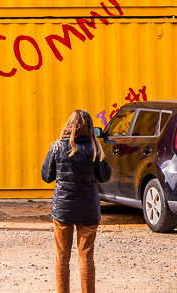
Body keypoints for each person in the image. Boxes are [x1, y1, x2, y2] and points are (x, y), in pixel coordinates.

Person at [41, 109, 112, 293]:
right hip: (88, 210)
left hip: (63, 210)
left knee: (62, 257)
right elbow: (105, 176)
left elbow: (46, 176)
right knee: (86, 258)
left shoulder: (57, 146)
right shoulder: (94, 148)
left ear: (69, 124)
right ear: (89, 127)